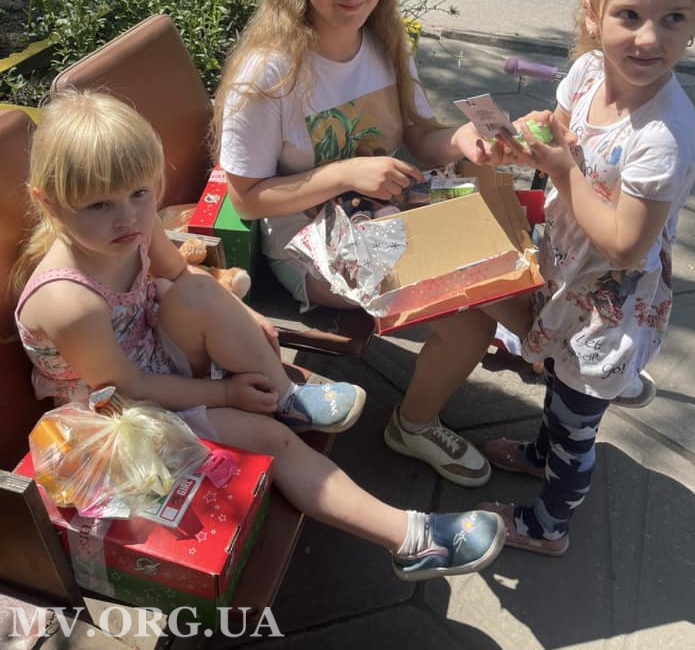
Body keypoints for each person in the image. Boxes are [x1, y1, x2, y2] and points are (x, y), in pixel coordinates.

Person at [14, 89, 507, 582]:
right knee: (275, 441)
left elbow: (182, 276)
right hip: (120, 415)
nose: (127, 217)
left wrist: (241, 313)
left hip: (153, 358)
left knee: (200, 293)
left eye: (140, 194)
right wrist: (227, 394)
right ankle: (412, 539)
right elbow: (130, 389)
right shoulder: (70, 302)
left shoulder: (130, 230)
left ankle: (286, 396)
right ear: (48, 203)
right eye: (99, 204)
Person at [214, 0, 503, 490]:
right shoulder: (268, 74)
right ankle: (414, 425)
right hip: (306, 247)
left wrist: (461, 141)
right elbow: (247, 198)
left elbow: (420, 132)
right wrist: (344, 173)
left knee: (495, 232)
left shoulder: (384, 42)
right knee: (474, 317)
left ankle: (539, 339)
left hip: (382, 213)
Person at [471, 0, 695, 556]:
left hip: (610, 307)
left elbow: (625, 247)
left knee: (577, 422)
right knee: (559, 387)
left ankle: (550, 523)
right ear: (593, 14)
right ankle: (543, 450)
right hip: (566, 270)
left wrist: (561, 170)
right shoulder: (586, 72)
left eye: (673, 19)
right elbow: (563, 130)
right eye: (629, 15)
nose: (648, 38)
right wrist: (535, 135)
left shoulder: (663, 135)